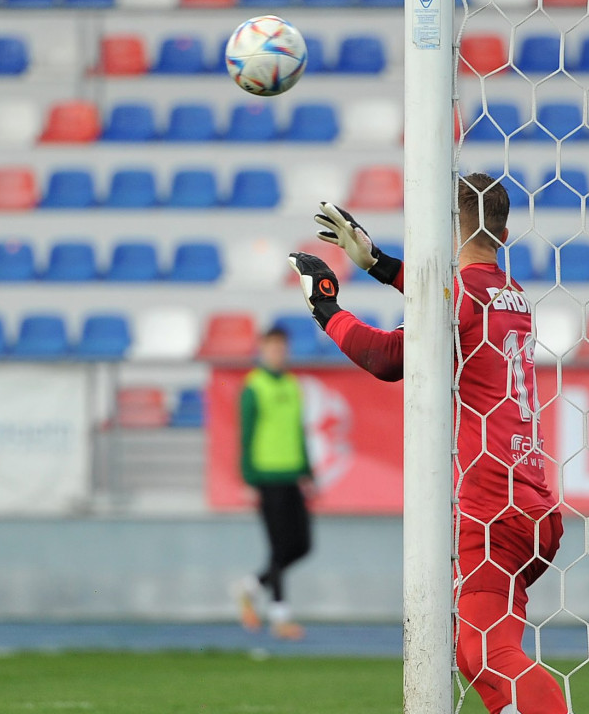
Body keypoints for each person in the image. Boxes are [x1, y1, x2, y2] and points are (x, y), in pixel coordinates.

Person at [288, 173, 567, 714]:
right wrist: (377, 263)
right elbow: (451, 300)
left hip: (491, 508)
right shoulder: (513, 295)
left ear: (443, 231)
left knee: (486, 653)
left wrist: (327, 309)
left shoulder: (461, 296)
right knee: (473, 654)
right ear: (504, 235)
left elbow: (391, 358)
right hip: (533, 506)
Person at [237, 324, 314, 640]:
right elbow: (246, 433)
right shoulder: (254, 387)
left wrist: (307, 468)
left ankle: (251, 587)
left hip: (292, 474)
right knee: (279, 547)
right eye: (272, 347)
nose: (278, 353)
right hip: (267, 475)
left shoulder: (293, 385)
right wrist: (249, 476)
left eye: (282, 347)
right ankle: (280, 617)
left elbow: (297, 430)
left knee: (303, 545)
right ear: (262, 349)